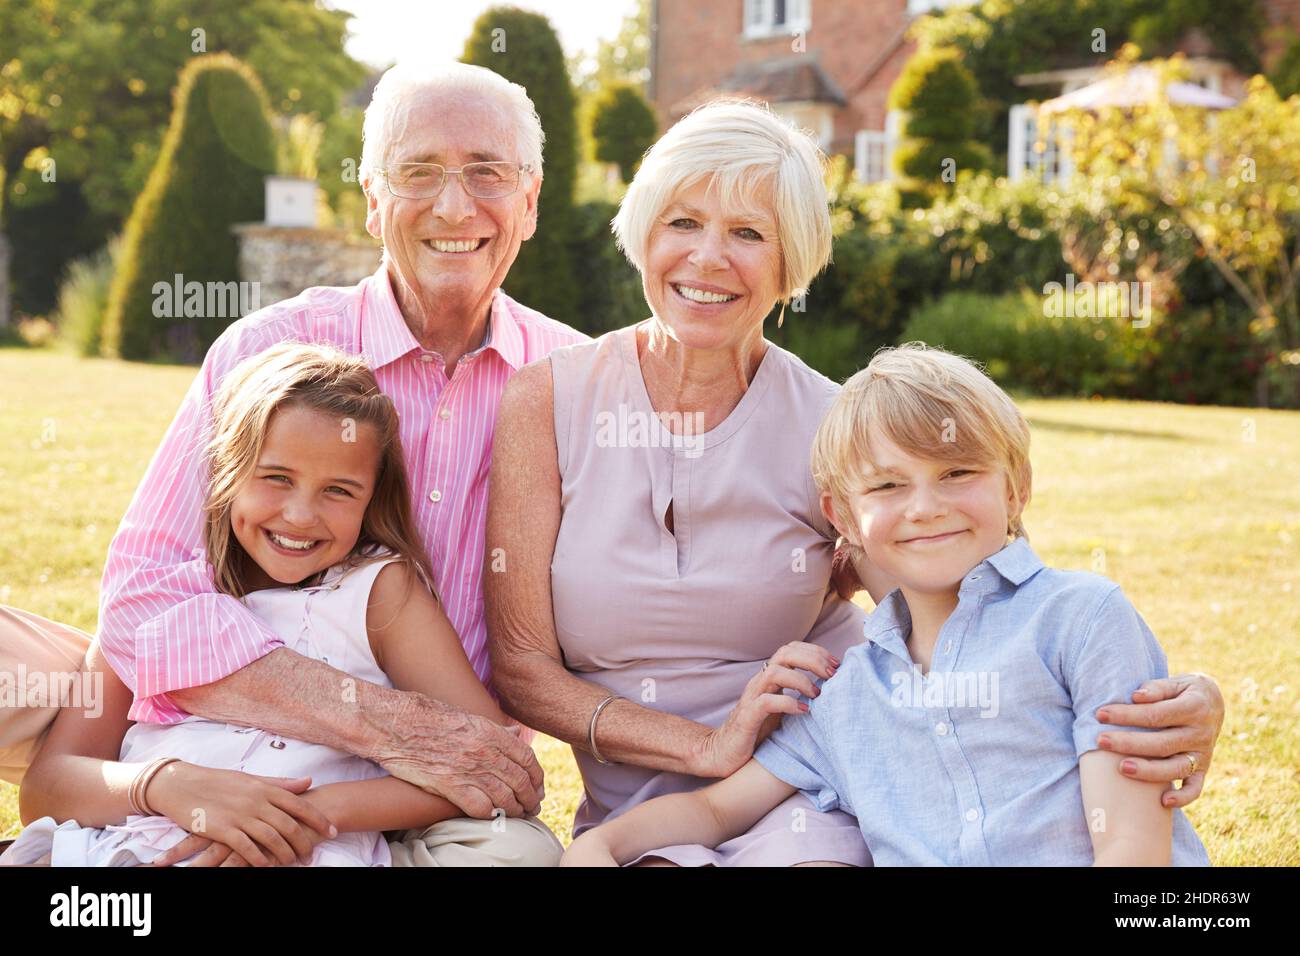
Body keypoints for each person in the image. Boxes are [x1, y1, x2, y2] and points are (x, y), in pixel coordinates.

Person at [487, 99, 1224, 867]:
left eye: (748, 233)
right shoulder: (547, 399)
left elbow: (977, 595)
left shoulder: (833, 421)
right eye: (682, 222)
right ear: (642, 232)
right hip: (655, 811)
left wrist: (1178, 695)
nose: (708, 258)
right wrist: (705, 745)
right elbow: (524, 668)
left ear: (790, 261)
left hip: (817, 787)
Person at [0, 61, 586, 863]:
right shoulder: (265, 350)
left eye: (487, 172)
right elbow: (140, 599)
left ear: (531, 200)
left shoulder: (578, 382)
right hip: (209, 701)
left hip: (425, 768)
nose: (455, 204)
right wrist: (357, 722)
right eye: (419, 173)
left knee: (514, 853)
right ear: (374, 201)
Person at [560, 344, 1211, 867]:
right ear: (841, 515)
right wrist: (603, 844)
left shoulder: (1082, 620)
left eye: (958, 473)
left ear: (1017, 489)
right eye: (888, 485)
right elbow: (711, 813)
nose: (925, 507)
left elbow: (1131, 854)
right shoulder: (847, 695)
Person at [2, 344, 561, 866]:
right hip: (133, 847)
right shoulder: (165, 603)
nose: (299, 515)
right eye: (276, 478)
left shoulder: (380, 593)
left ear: (371, 499)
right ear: (227, 471)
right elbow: (49, 786)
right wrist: (167, 785)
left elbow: (485, 763)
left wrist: (302, 817)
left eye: (338, 490)